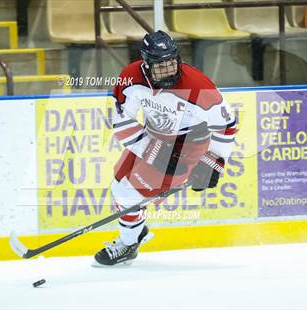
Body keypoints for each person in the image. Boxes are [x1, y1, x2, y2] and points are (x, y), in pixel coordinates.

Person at [93, 31, 237, 266]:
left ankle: (128, 243)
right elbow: (121, 121)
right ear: (146, 64)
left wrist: (214, 162)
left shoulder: (198, 86)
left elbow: (227, 125)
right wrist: (154, 151)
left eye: (172, 63)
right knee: (119, 187)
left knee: (129, 194)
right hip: (152, 137)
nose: (169, 70)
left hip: (187, 146)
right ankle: (134, 233)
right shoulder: (130, 78)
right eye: (161, 66)